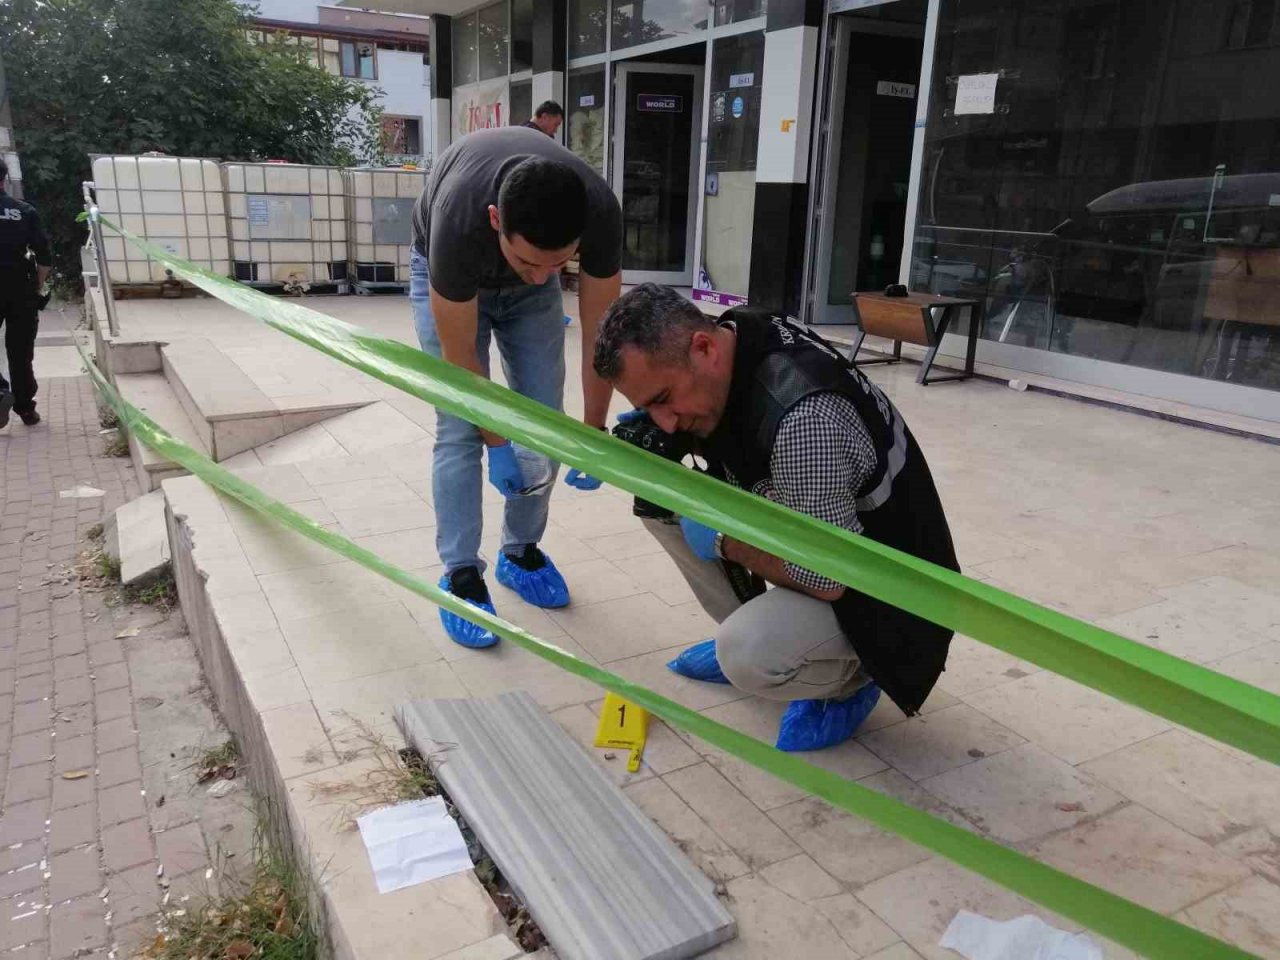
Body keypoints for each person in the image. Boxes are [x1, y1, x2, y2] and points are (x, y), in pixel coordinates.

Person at [593, 284, 960, 751]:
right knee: (660, 496)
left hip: (892, 601)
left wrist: (726, 538)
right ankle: (755, 620)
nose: (663, 420)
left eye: (663, 398)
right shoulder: (738, 333)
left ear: (704, 348)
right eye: (647, 406)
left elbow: (828, 578)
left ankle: (851, 679)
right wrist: (660, 450)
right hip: (827, 532)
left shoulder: (804, 421)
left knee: (747, 652)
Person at [410, 125, 622, 649]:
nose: (540, 276)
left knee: (543, 423)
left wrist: (593, 431)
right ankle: (461, 575)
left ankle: (519, 553)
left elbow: (603, 335)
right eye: (530, 261)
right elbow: (462, 368)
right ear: (495, 220)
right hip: (451, 279)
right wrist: (498, 443)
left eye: (560, 264)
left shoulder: (600, 212)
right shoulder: (458, 222)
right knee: (460, 429)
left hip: (514, 282)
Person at [0, 156, 51, 429]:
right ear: (5, 179)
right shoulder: (24, 211)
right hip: (20, 286)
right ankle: (25, 409)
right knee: (21, 352)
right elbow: (44, 257)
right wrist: (38, 287)